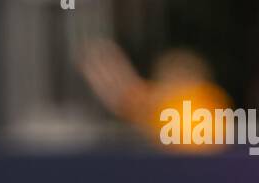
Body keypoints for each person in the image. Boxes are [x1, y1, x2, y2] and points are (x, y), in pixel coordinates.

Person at [79, 42, 232, 150]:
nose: (173, 83)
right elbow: (121, 96)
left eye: (181, 74)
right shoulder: (156, 102)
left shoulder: (204, 97)